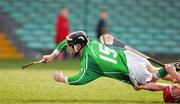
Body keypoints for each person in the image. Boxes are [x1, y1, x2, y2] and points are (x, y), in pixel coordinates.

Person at [41, 31, 180, 102]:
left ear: (78, 46)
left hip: (131, 68)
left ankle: (171, 81)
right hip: (130, 55)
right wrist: (52, 55)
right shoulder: (90, 42)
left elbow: (80, 79)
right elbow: (65, 42)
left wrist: (62, 79)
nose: (68, 48)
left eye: (70, 46)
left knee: (144, 84)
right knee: (152, 71)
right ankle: (173, 74)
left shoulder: (90, 62)